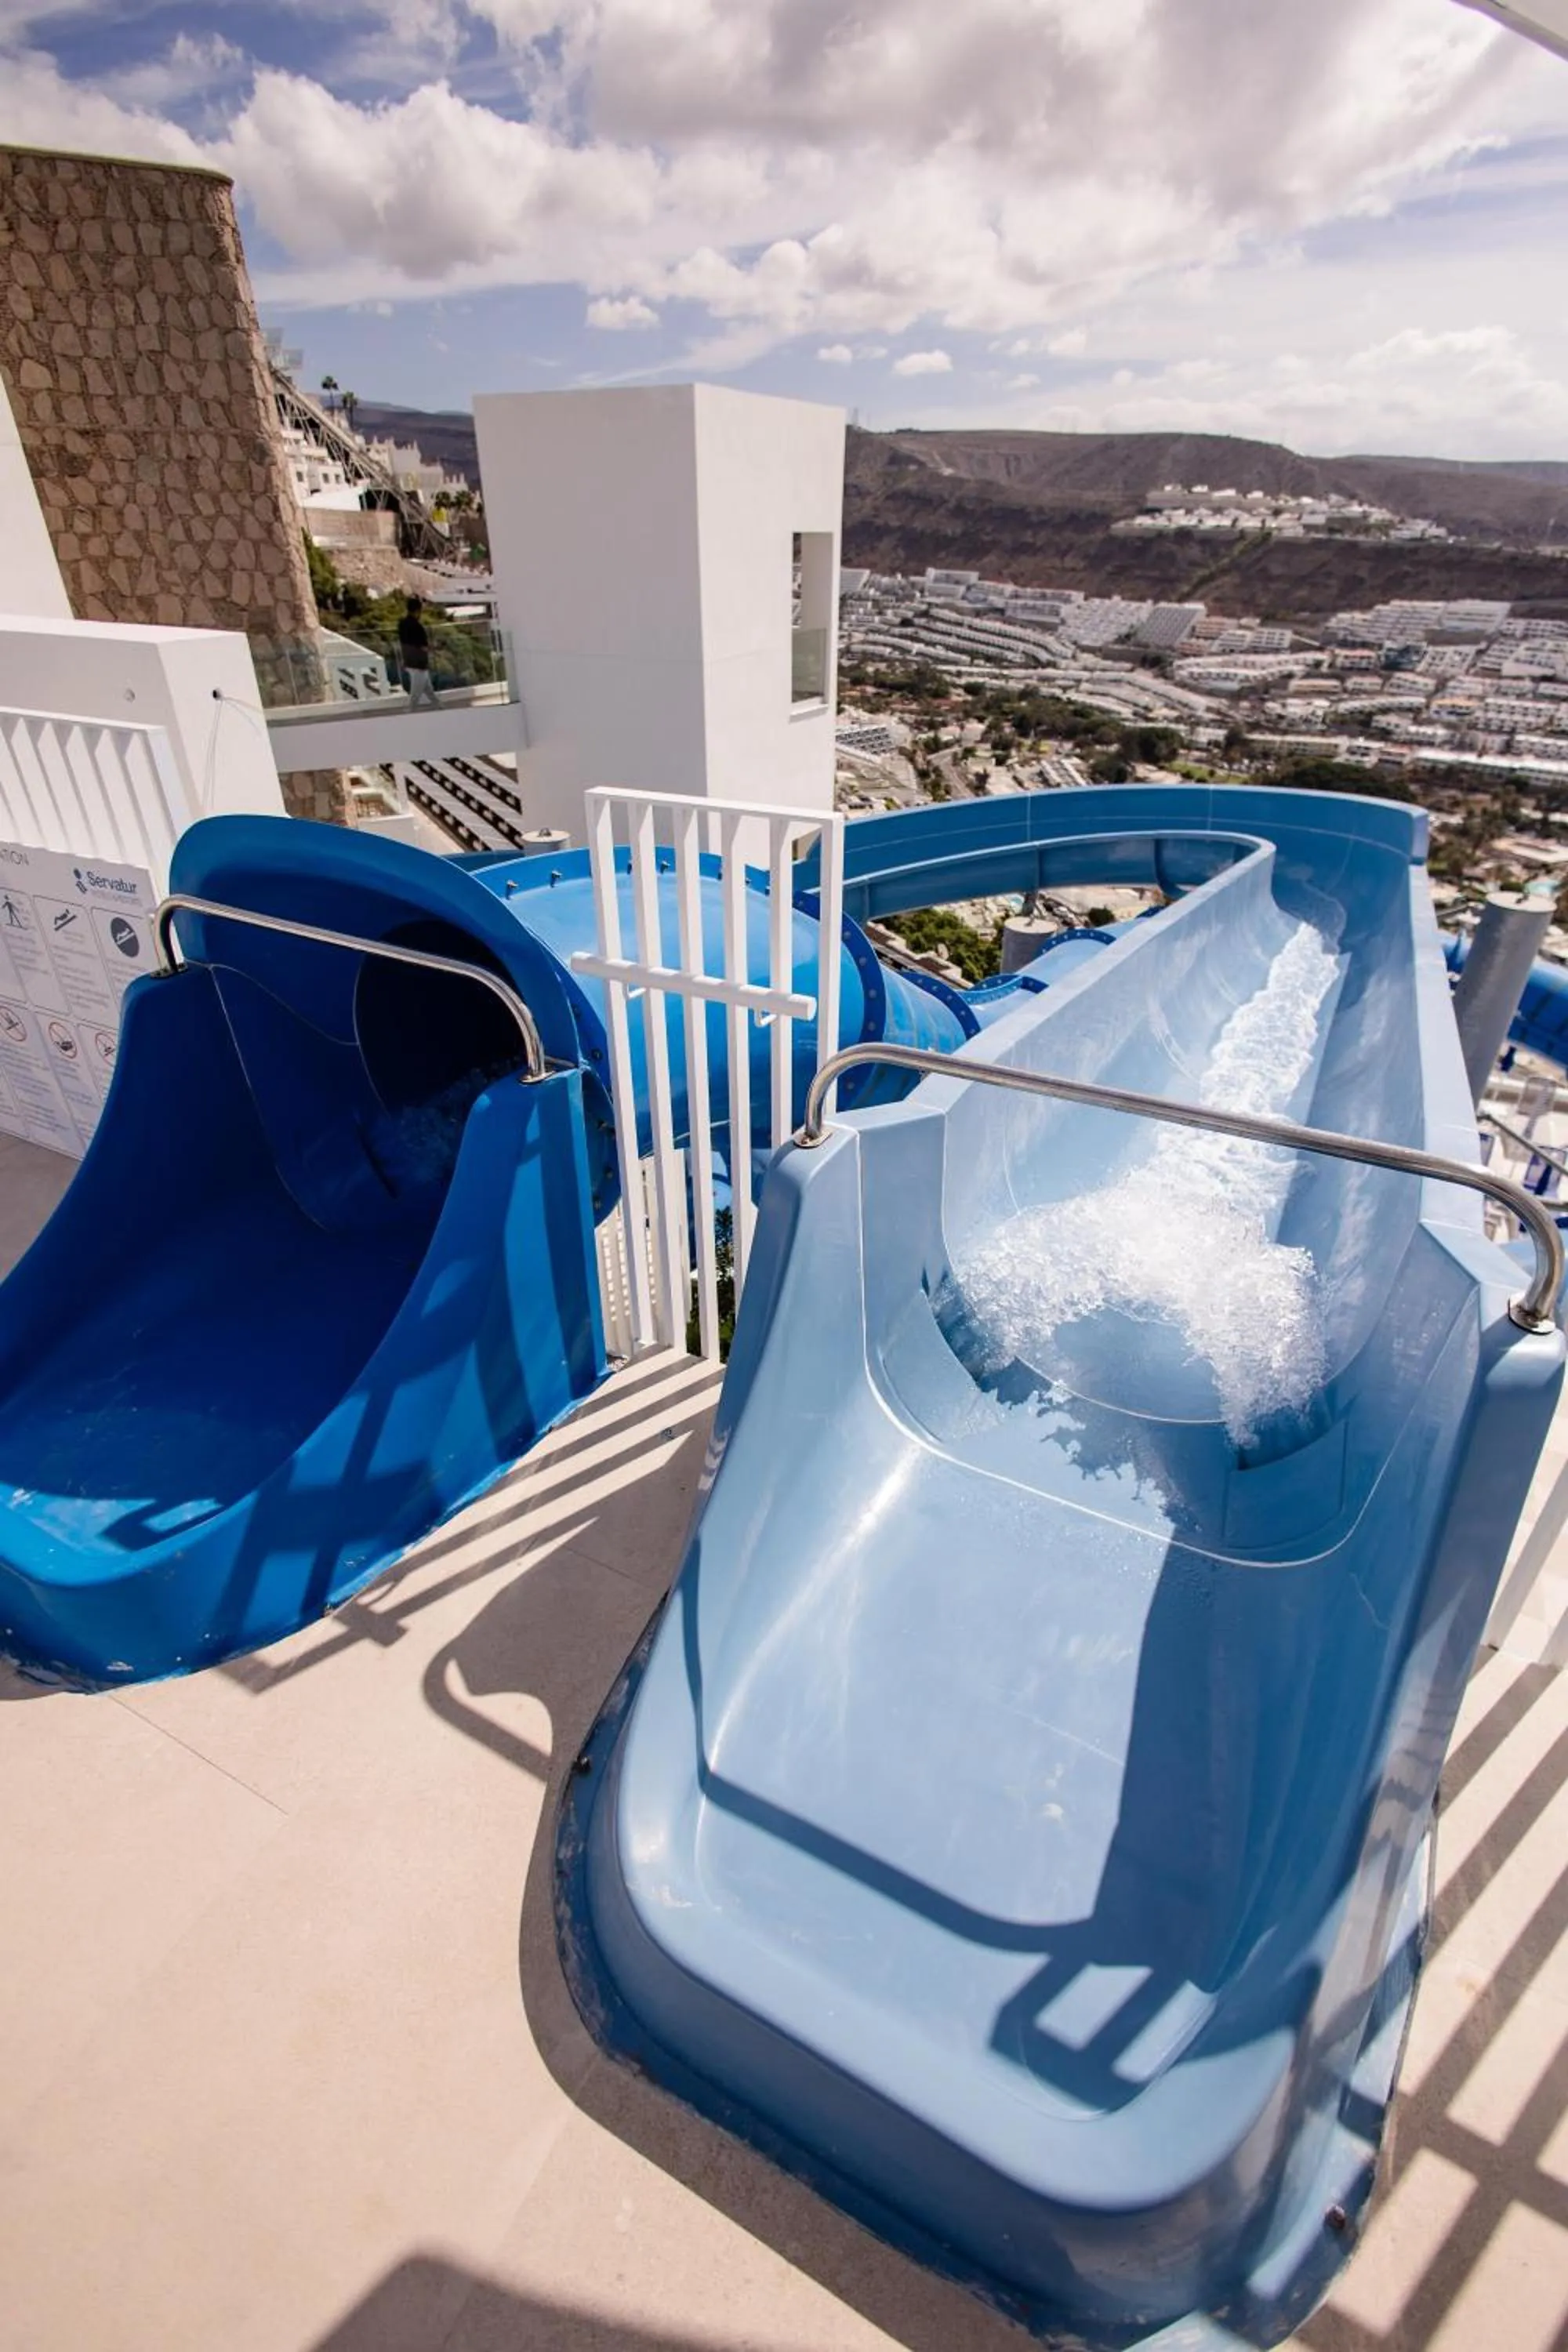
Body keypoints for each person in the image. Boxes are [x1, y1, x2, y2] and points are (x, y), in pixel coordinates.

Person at [397, 595, 437, 708]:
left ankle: (440, 707)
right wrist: (436, 648)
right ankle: (410, 713)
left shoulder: (402, 624)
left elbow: (405, 643)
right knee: (415, 697)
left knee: (429, 692)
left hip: (409, 662)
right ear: (418, 611)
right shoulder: (418, 627)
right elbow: (423, 647)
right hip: (419, 665)